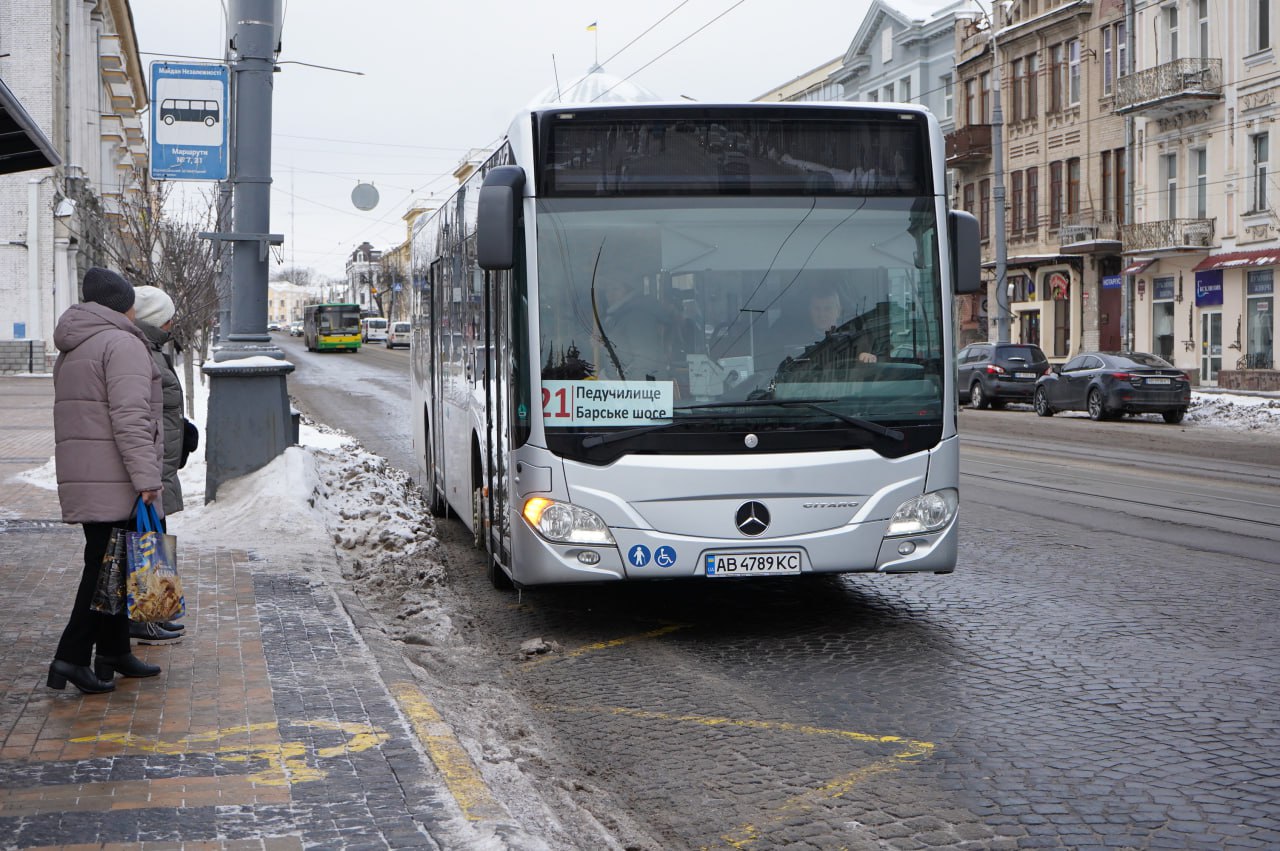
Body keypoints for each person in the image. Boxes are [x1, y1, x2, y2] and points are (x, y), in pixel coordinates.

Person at [47, 267, 164, 694]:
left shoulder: (76, 345)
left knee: (113, 566)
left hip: (89, 473)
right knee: (105, 572)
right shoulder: (122, 343)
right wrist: (147, 477)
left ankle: (113, 651)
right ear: (124, 305)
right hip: (115, 477)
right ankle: (70, 659)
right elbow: (131, 418)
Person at [130, 286, 187, 645]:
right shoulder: (143, 354)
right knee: (147, 539)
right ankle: (146, 618)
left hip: (162, 458)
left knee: (155, 537)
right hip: (154, 461)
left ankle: (156, 613)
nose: (172, 323)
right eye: (167, 317)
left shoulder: (152, 351)